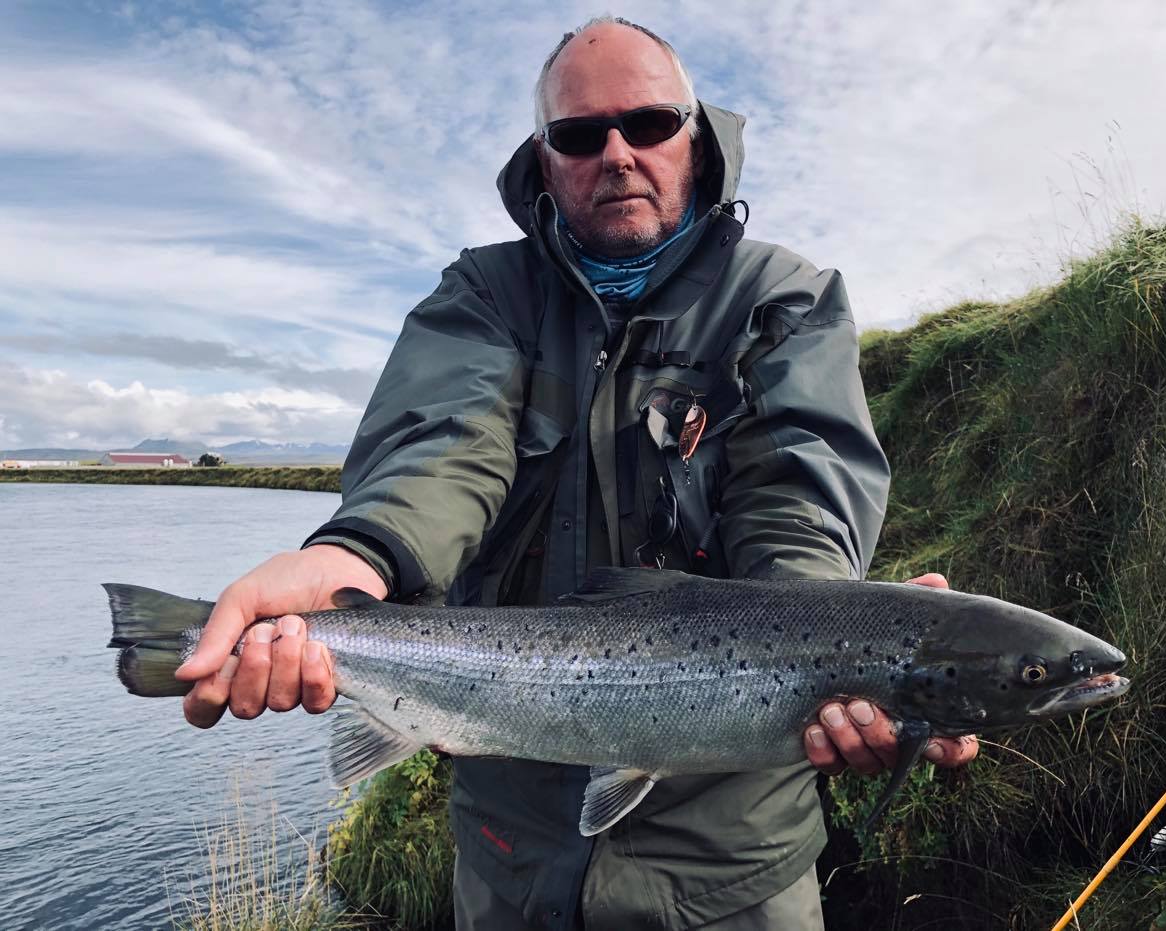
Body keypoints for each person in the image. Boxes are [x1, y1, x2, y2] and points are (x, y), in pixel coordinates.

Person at [174, 17, 978, 930]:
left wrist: (837, 636)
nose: (618, 152)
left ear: (698, 137)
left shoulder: (783, 297)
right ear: (544, 159)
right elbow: (443, 444)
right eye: (579, 134)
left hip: (735, 862)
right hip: (512, 850)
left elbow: (803, 488)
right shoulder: (483, 295)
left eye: (650, 123)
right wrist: (357, 555)